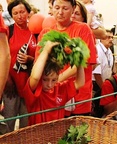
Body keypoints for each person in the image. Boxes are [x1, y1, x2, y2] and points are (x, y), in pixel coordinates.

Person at [36, 0, 97, 116]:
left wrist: (57, 80)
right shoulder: (46, 33)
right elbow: (39, 64)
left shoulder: (83, 29)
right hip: (52, 96)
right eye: (57, 8)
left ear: (73, 8)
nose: (60, 12)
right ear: (51, 8)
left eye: (65, 8)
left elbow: (84, 64)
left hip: (78, 96)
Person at [23, 41, 85, 125]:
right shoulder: (36, 89)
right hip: (37, 135)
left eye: (54, 80)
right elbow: (35, 77)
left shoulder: (60, 89)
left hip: (56, 135)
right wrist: (46, 51)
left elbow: (80, 83)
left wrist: (79, 62)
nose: (49, 84)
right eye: (45, 79)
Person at [2, 0, 37, 132]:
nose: (19, 16)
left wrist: (30, 59)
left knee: (26, 123)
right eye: (15, 13)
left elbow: (41, 58)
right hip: (10, 85)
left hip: (29, 84)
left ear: (28, 12)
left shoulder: (36, 32)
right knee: (8, 122)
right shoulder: (7, 31)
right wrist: (7, 80)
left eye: (22, 12)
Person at [92, 29, 114, 117]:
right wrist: (104, 89)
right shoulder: (98, 50)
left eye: (112, 37)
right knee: (95, 111)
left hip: (104, 84)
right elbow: (97, 74)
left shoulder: (109, 51)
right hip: (96, 84)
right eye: (108, 37)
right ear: (101, 38)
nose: (111, 39)